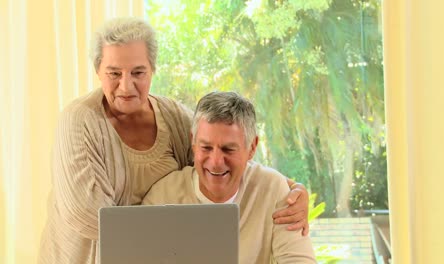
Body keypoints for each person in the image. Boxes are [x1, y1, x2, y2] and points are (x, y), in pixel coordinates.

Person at [38, 17, 310, 264]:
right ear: (98, 71)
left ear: (153, 69)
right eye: (114, 73)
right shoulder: (78, 121)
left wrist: (291, 191)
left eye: (138, 72)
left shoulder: (175, 117)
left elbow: (228, 156)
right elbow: (91, 217)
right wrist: (178, 230)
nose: (126, 85)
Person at [143, 91, 317, 263]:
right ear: (193, 142)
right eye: (206, 148)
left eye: (228, 149)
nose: (216, 162)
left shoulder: (273, 190)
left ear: (252, 147)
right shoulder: (162, 197)